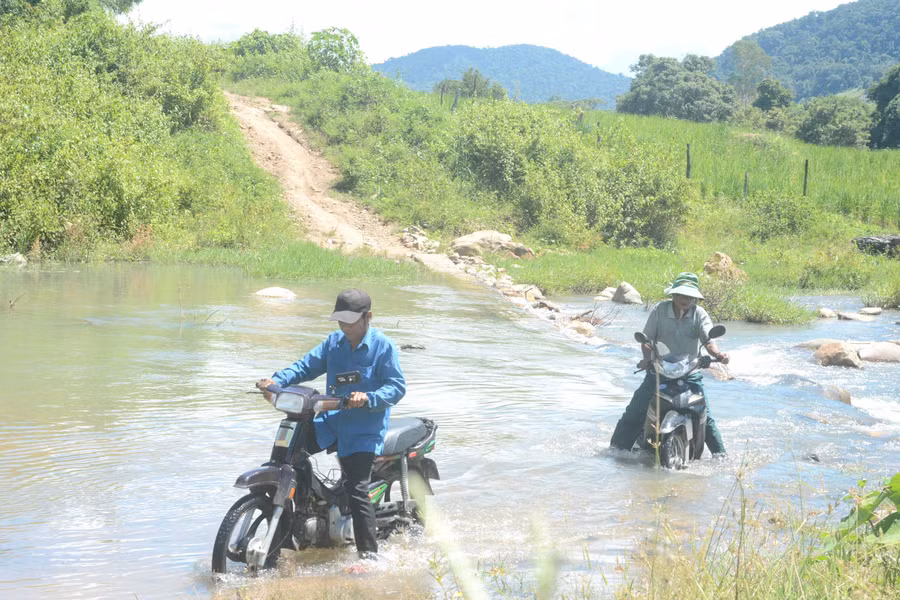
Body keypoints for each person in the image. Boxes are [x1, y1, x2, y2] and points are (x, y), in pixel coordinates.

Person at [256, 288, 405, 560]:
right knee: (290, 457)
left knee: (357, 488)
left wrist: (369, 397)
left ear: (367, 317)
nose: (345, 326)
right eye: (341, 320)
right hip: (331, 421)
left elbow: (396, 388)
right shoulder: (334, 343)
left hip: (364, 429)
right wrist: (276, 381)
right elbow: (305, 366)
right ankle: (302, 519)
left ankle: (369, 558)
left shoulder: (384, 347)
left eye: (350, 321)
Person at [609, 272, 730, 456]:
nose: (685, 299)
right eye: (682, 295)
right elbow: (646, 340)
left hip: (690, 372)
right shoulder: (660, 310)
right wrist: (647, 359)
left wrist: (718, 354)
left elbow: (708, 340)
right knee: (635, 410)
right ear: (673, 295)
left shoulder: (699, 314)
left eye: (689, 296)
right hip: (659, 371)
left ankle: (721, 457)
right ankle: (615, 453)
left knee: (705, 415)